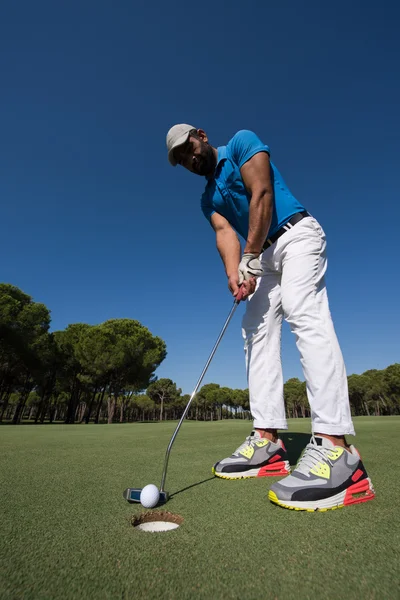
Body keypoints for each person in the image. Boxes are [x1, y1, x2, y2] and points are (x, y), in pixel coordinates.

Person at [166, 124, 375, 511]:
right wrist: (235, 272)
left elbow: (260, 192)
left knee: (301, 308)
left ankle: (338, 449)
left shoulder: (243, 142)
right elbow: (224, 231)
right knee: (254, 331)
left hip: (295, 236)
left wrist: (250, 256)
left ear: (202, 135)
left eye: (187, 147)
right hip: (261, 257)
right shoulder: (206, 198)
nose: (188, 158)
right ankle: (268, 443)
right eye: (180, 159)